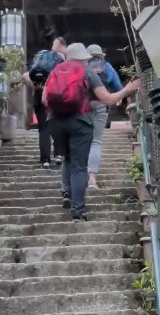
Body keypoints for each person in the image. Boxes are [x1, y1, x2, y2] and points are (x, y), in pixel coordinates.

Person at [43, 42, 139, 221]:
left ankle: (66, 193)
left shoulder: (55, 71)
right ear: (82, 59)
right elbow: (108, 99)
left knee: (68, 158)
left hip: (55, 122)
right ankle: (77, 212)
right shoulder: (87, 72)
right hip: (80, 122)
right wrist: (128, 89)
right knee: (79, 166)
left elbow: (44, 100)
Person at [23, 37, 67, 166]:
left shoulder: (40, 58)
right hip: (56, 95)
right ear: (62, 45)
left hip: (39, 93)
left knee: (43, 128)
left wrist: (37, 86)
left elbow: (25, 76)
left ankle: (45, 160)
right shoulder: (61, 59)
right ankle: (59, 155)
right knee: (58, 125)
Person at [86, 44, 123, 189]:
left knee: (82, 140)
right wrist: (118, 98)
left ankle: (79, 176)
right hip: (102, 104)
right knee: (95, 142)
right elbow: (118, 86)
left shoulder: (83, 67)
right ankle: (92, 179)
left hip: (84, 107)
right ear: (101, 55)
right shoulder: (106, 66)